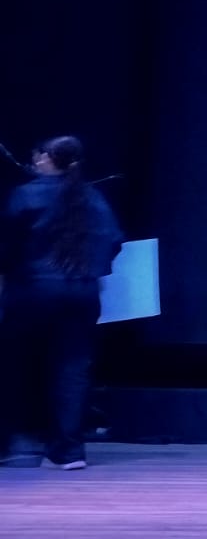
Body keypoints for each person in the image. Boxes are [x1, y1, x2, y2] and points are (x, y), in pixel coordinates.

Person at [0, 136, 123, 470]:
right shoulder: (93, 196)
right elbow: (114, 241)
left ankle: (10, 443)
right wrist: (92, 270)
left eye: (38, 157)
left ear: (46, 159)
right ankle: (68, 452)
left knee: (12, 365)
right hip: (81, 293)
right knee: (73, 370)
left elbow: (6, 245)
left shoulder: (25, 194)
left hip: (32, 292)